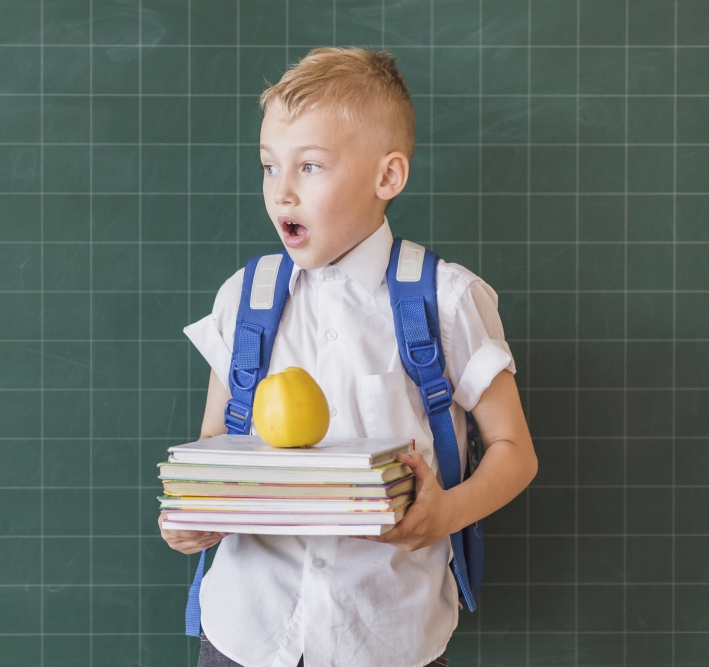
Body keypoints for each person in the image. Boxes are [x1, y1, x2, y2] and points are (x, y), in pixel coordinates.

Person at [158, 47, 538, 667]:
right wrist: (191, 518)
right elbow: (213, 446)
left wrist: (445, 513)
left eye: (310, 166)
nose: (281, 191)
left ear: (387, 177)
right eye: (268, 166)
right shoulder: (244, 298)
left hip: (385, 638)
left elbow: (515, 453)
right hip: (246, 632)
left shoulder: (445, 301)